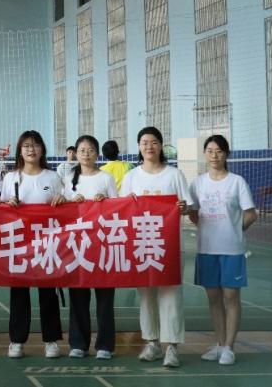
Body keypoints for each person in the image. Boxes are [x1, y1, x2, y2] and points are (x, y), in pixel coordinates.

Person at [121, 126, 191, 368]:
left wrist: (184, 207)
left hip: (170, 247)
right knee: (146, 297)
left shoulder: (175, 175)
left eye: (153, 142)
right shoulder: (131, 177)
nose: (149, 146)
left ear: (161, 146)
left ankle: (172, 347)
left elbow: (189, 206)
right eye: (144, 142)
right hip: (142, 246)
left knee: (171, 296)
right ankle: (152, 343)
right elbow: (121, 210)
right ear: (139, 147)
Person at [189, 135, 257, 366]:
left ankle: (229, 347)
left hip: (232, 250)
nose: (214, 155)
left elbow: (251, 214)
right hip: (207, 249)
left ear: (226, 154)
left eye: (219, 151)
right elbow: (193, 212)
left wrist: (235, 230)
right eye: (210, 151)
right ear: (204, 154)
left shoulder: (237, 182)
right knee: (214, 299)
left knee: (231, 297)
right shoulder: (198, 183)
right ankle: (219, 344)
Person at [0, 130, 65, 359]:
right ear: (20, 150)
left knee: (48, 293)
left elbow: (64, 206)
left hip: (47, 243)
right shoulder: (11, 178)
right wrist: (8, 204)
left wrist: (61, 200)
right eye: (26, 145)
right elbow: (2, 208)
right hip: (19, 243)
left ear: (42, 150)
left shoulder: (52, 177)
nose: (31, 149)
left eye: (35, 145)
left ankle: (51, 340)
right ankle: (16, 341)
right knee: (18, 293)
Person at [62, 135, 118, 360]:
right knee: (78, 296)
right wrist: (69, 202)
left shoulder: (106, 178)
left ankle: (105, 345)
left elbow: (118, 208)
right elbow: (60, 210)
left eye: (91, 150)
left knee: (105, 299)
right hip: (76, 245)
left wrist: (105, 201)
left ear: (97, 153)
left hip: (102, 244)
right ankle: (78, 343)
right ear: (75, 153)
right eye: (82, 150)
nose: (86, 154)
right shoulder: (68, 179)